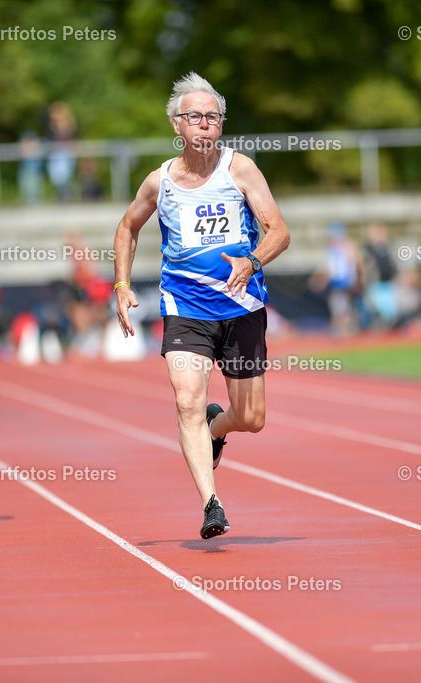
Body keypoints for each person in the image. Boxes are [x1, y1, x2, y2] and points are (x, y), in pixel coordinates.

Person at [113, 72, 291, 539]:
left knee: (251, 419)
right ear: (177, 125)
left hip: (242, 305)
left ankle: (218, 429)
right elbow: (128, 227)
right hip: (185, 306)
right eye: (195, 117)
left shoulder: (241, 169)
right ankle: (212, 504)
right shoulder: (160, 182)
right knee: (186, 398)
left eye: (213, 117)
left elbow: (280, 232)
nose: (205, 125)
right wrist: (122, 283)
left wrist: (251, 261)